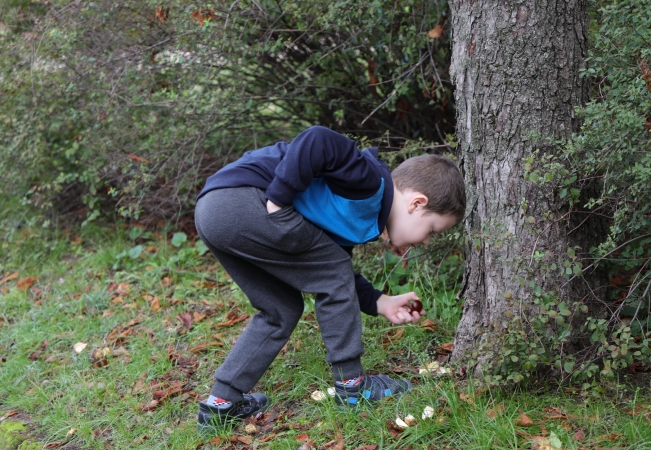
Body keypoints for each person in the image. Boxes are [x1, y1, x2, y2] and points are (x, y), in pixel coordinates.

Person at [193, 126, 465, 433]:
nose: (427, 242)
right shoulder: (367, 182)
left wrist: (380, 302)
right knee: (330, 272)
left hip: (214, 213)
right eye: (432, 231)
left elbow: (335, 271)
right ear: (416, 203)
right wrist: (279, 201)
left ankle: (220, 404)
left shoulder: (357, 219)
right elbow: (318, 139)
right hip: (243, 201)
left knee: (280, 309)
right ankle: (352, 386)